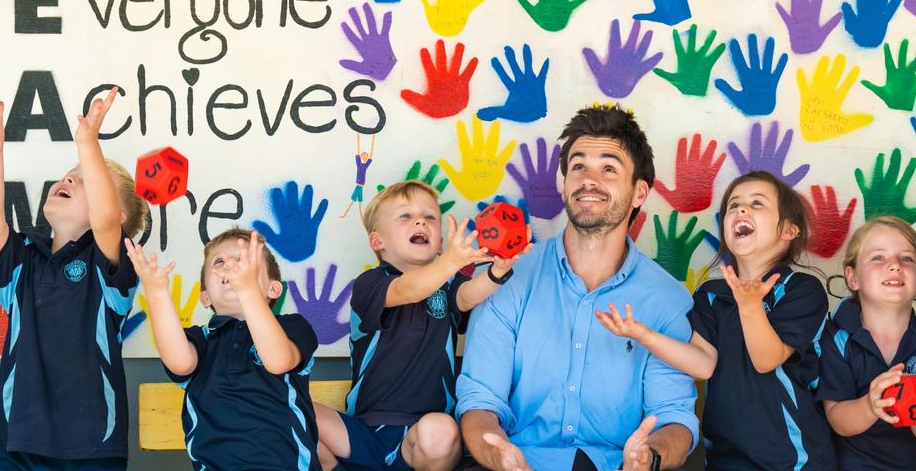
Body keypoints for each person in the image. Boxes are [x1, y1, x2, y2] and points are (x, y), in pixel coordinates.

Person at [456, 104, 699, 471]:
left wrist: (647, 458)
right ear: (565, 182)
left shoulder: (666, 299)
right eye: (578, 166)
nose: (589, 179)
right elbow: (480, 402)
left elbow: (674, 418)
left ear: (639, 193)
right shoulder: (508, 277)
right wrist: (499, 456)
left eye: (609, 169)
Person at [0, 87, 147, 470]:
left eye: (84, 180)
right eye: (68, 176)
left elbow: (106, 221)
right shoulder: (26, 257)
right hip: (16, 443)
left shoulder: (109, 263)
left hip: (94, 448)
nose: (69, 180)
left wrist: (88, 144)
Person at [598, 170, 837, 470]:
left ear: (789, 230)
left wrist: (749, 306)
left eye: (757, 203)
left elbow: (767, 359)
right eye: (733, 205)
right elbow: (702, 363)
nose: (740, 209)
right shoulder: (712, 294)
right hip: (726, 458)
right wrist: (646, 336)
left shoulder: (801, 289)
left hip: (793, 459)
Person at [315, 180, 525, 470]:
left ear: (439, 241)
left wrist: (498, 271)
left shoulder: (451, 283)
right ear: (378, 242)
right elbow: (407, 290)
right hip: (363, 432)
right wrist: (449, 262)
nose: (420, 221)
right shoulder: (370, 284)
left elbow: (466, 297)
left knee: (440, 429)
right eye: (405, 216)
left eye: (430, 217)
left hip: (425, 439)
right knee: (293, 410)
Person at [127, 229, 322, 471]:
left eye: (244, 261)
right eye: (219, 261)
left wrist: (248, 290)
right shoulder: (202, 340)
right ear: (206, 297)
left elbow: (278, 361)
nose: (231, 266)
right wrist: (156, 292)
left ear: (274, 289)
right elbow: (179, 363)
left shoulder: (291, 327)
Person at [817, 217, 916, 470]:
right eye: (878, 258)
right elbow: (837, 419)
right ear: (853, 278)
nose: (895, 266)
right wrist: (871, 404)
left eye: (907, 258)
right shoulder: (836, 338)